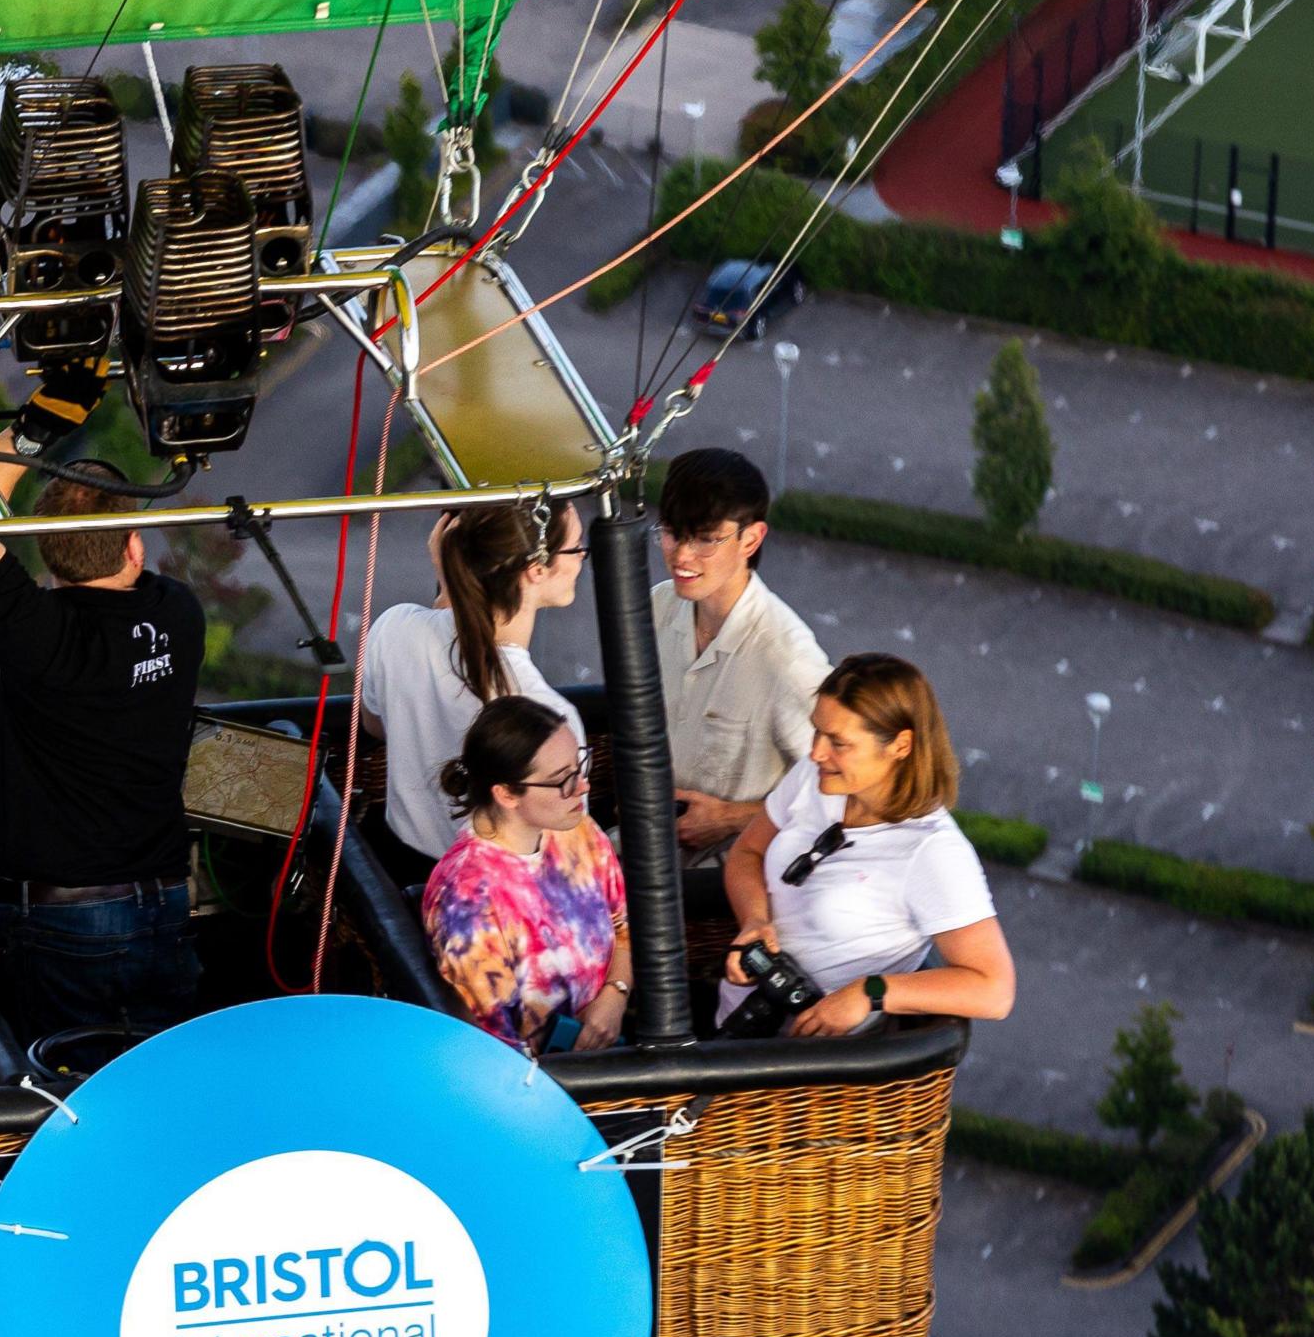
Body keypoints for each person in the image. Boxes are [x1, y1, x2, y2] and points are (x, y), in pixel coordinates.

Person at [0, 435, 205, 1038]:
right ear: (135, 546)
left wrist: (28, 433)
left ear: (48, 560)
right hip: (162, 901)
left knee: (64, 1096)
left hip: (61, 920)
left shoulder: (38, 636)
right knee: (163, 1085)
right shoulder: (177, 612)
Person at [722, 653, 1018, 1037]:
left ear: (900, 745)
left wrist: (871, 992)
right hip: (733, 1029)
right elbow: (748, 852)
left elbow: (994, 989)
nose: (816, 752)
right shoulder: (813, 778)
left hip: (805, 1077)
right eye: (817, 731)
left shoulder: (933, 852)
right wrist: (755, 920)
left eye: (838, 743)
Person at [365, 498, 587, 884]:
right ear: (536, 570)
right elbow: (559, 848)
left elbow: (375, 726)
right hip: (491, 901)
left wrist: (449, 581)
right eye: (576, 548)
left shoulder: (394, 626)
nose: (582, 558)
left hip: (396, 870)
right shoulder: (548, 715)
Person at [649, 449, 832, 860]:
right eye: (672, 532)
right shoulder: (656, 607)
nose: (681, 555)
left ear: (751, 539)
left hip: (720, 893)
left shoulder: (788, 658)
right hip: (639, 860)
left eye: (705, 539)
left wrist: (732, 818)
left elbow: (843, 795)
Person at [422, 698, 631, 1053]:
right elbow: (494, 1046)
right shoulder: (467, 895)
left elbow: (622, 926)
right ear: (505, 794)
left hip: (603, 1052)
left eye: (579, 767)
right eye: (561, 780)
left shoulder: (580, 831)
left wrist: (615, 994)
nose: (583, 787)